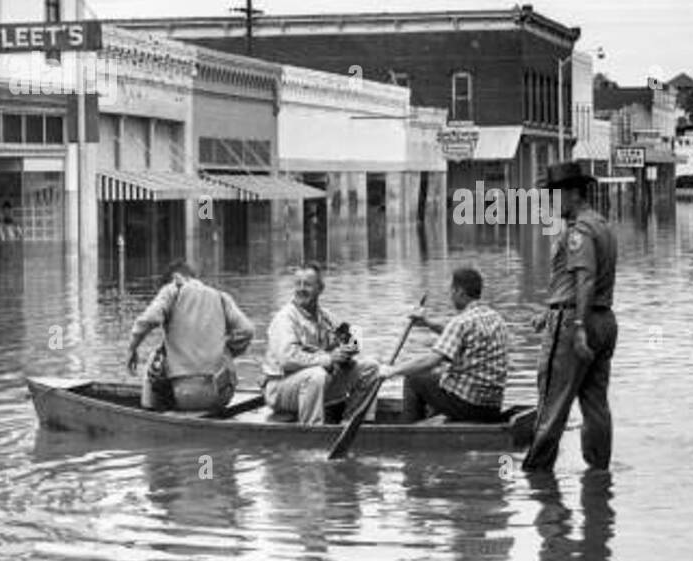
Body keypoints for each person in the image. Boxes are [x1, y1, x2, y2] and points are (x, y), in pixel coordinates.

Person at [522, 162, 619, 473]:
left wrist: (576, 326)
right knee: (595, 404)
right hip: (603, 320)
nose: (551, 203)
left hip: (578, 323)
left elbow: (586, 278)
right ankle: (599, 475)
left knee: (552, 401)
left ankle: (536, 478)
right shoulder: (602, 225)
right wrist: (549, 310)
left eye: (555, 196)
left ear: (572, 194)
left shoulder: (579, 231)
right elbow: (576, 283)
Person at [379, 267, 510, 423]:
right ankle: (431, 422)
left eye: (451, 292)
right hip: (492, 406)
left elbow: (430, 361)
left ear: (460, 292)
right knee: (441, 376)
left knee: (414, 379)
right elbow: (458, 335)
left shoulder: (461, 322)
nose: (450, 296)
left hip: (470, 405)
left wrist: (393, 371)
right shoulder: (496, 318)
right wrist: (427, 323)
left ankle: (407, 434)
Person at [127, 260, 254, 412]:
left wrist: (132, 348)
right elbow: (247, 330)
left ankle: (150, 412)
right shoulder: (221, 297)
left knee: (156, 356)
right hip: (221, 394)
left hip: (184, 395)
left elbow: (148, 320)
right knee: (222, 357)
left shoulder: (172, 290)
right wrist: (225, 351)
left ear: (176, 277)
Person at [262, 263, 382, 424]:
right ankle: (312, 429)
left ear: (320, 288)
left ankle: (352, 423)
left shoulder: (325, 316)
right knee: (317, 375)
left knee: (371, 367)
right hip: (280, 389)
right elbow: (287, 359)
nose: (301, 289)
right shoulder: (285, 318)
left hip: (316, 384)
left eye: (308, 284)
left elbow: (354, 341)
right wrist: (329, 358)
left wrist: (347, 352)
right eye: (298, 284)